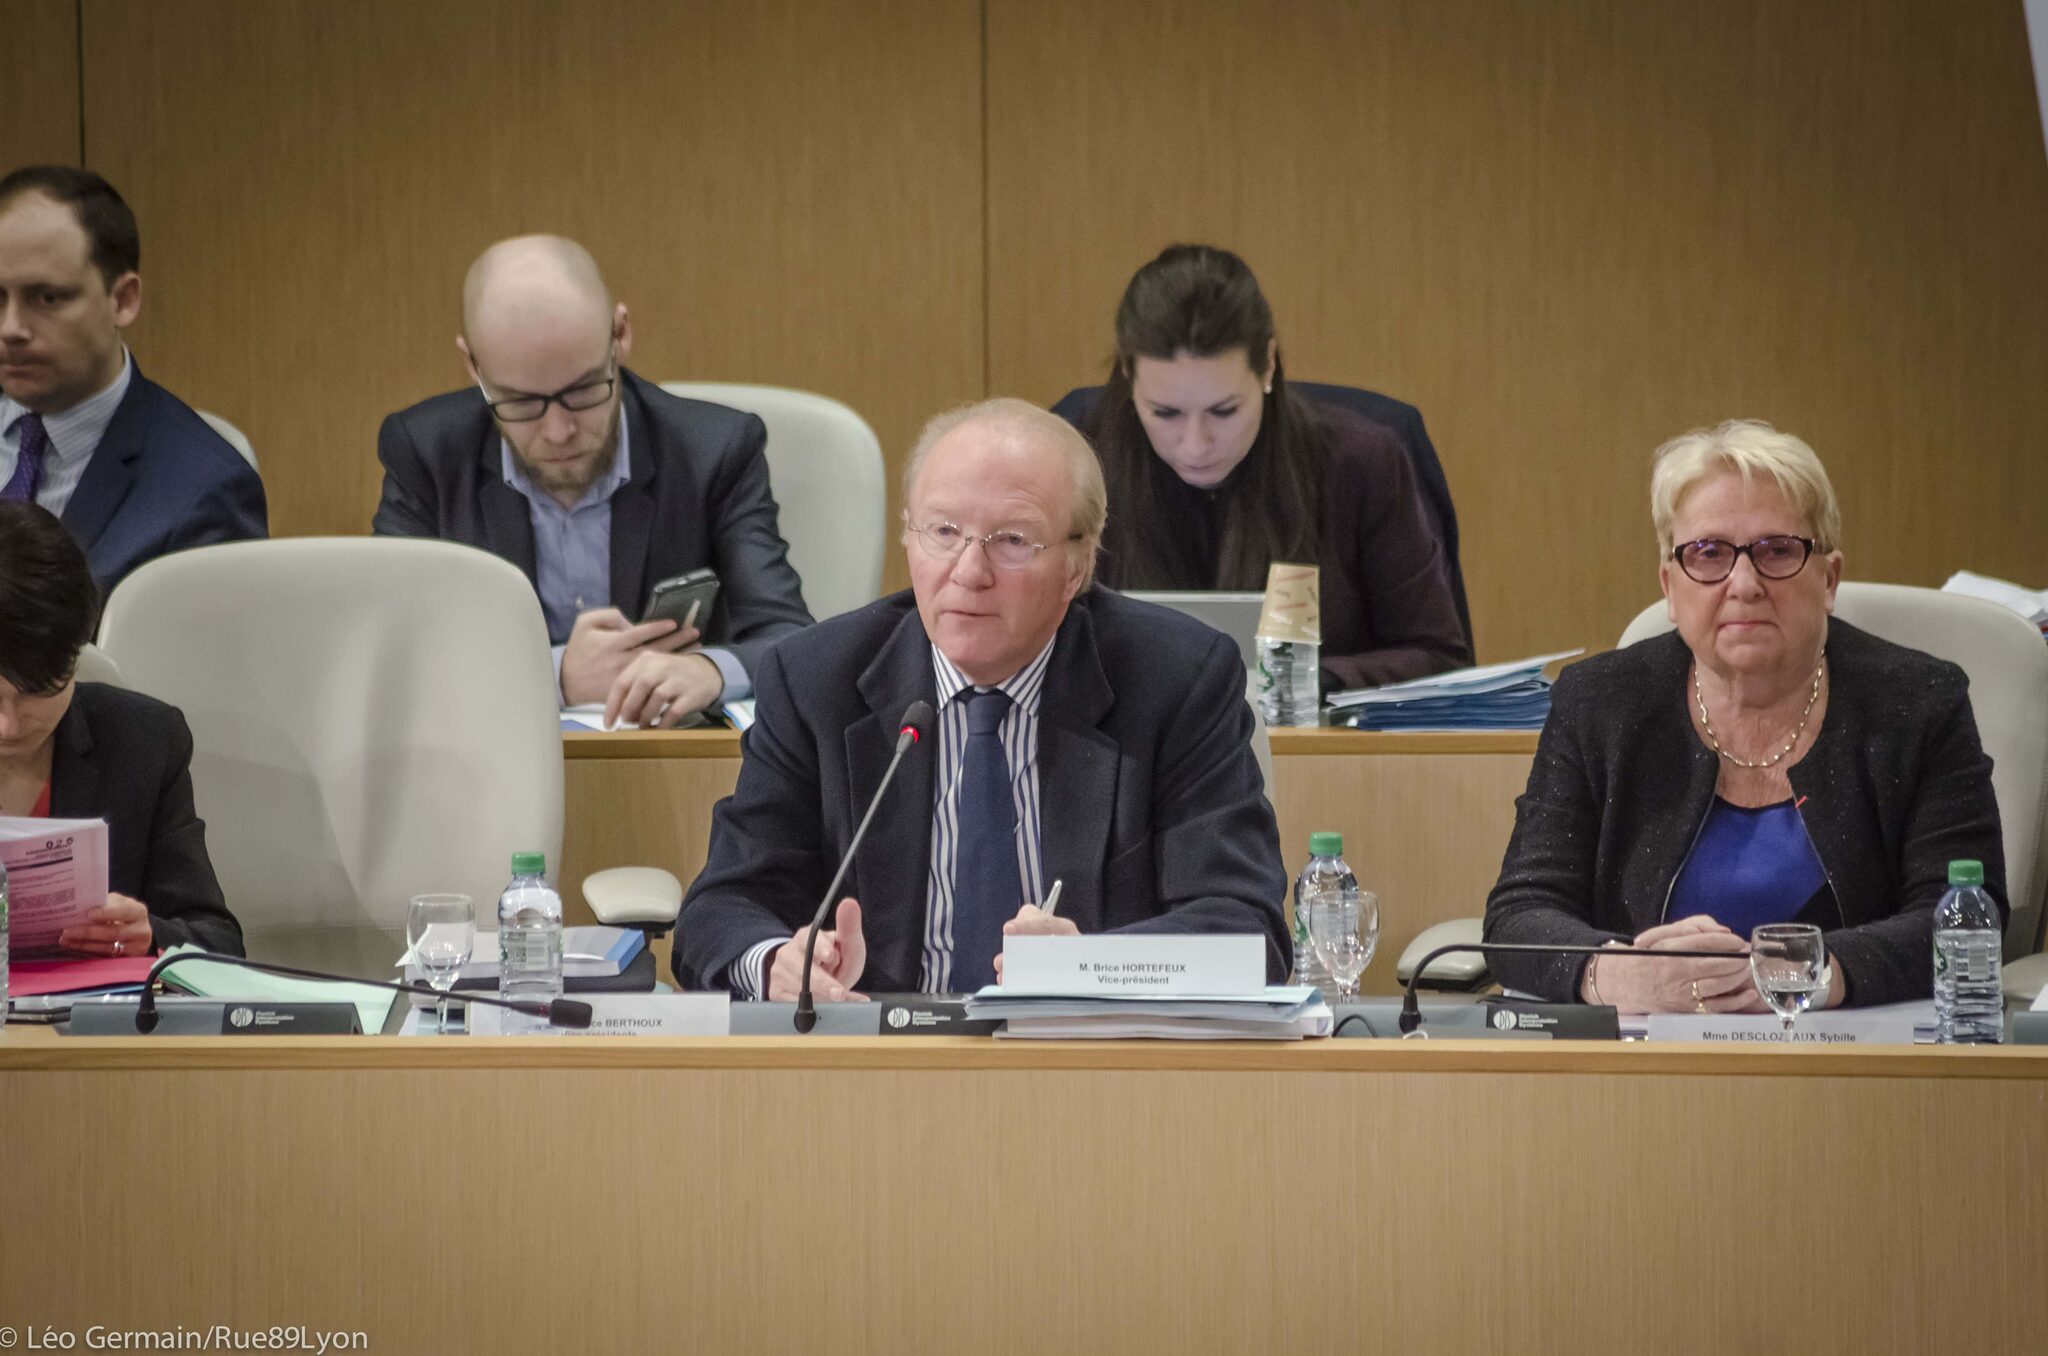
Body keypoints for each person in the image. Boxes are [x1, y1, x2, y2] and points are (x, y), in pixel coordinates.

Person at [675, 398, 1289, 997]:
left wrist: (1094, 968)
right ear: (909, 541)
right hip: (883, 1067)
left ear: (1077, 566)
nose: (970, 571)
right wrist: (780, 963)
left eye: (1013, 540)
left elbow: (1246, 928)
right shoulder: (816, 680)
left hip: (1094, 1071)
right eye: (943, 531)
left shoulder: (1177, 680)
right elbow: (722, 909)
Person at [1484, 420, 2003, 1011]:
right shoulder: (1599, 703)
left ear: (1829, 579)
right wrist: (1618, 974)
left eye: (1777, 550)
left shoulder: (1919, 703)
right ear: (1670, 589)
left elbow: (1965, 914)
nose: (1744, 583)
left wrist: (1803, 973)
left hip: (1857, 1062)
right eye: (1708, 554)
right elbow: (1519, 914)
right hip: (1641, 1070)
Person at [373, 235, 811, 726]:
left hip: (669, 767)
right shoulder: (426, 456)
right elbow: (392, 657)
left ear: (619, 334)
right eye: (519, 403)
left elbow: (790, 636)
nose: (559, 431)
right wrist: (555, 676)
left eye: (583, 390)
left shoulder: (713, 451)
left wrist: (709, 670)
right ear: (473, 364)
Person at [1066, 244, 1470, 689]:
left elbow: (1440, 657)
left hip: (1309, 751)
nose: (1196, 445)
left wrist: (1306, 683)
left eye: (1224, 411)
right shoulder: (1073, 459)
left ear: (1268, 366)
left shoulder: (1359, 462)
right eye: (1165, 414)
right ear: (1127, 375)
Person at [0, 166, 267, 597]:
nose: (11, 328)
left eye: (47, 298)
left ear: (122, 301)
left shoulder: (205, 489)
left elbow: (207, 663)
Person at [0, 502, 242, 957]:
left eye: (37, 693)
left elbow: (219, 942)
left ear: (76, 657)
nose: (9, 726)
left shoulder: (142, 742)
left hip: (83, 1023)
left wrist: (151, 935)